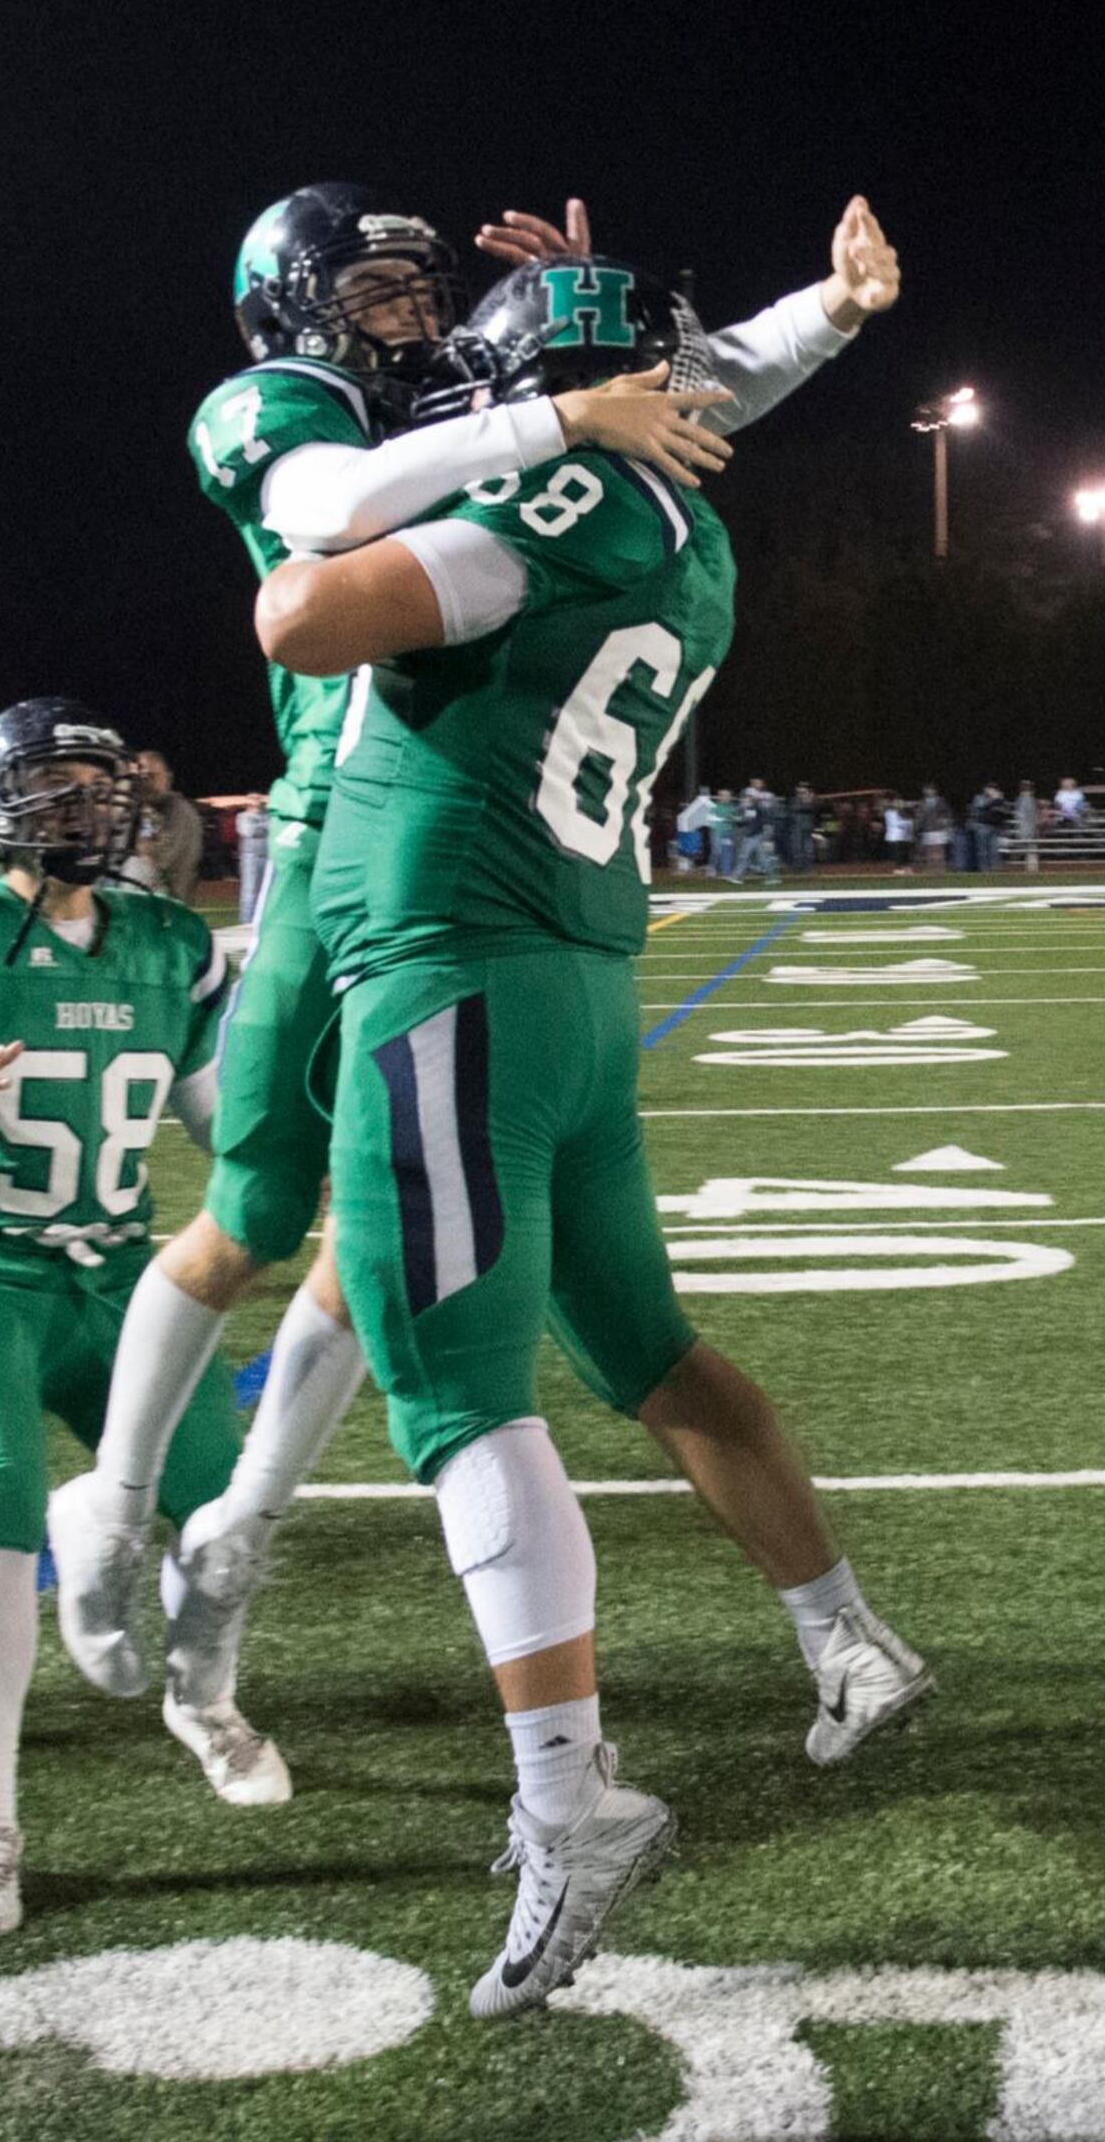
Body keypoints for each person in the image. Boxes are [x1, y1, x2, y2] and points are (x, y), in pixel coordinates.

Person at [62, 182, 893, 1714]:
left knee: (374, 1230)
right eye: (369, 283)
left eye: (415, 279)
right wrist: (562, 408)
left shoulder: (478, 403)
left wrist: (814, 316)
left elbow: (677, 403)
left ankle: (240, 1523)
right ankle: (114, 1501)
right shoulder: (278, 400)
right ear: (293, 302)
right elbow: (327, 512)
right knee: (254, 1201)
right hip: (330, 830)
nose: (405, 305)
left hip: (443, 830)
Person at [255, 251, 932, 2018]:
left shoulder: (555, 483)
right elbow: (677, 398)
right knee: (639, 1340)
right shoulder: (685, 527)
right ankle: (843, 1632)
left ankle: (573, 1802)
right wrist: (817, 320)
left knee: (459, 1390)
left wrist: (515, 418)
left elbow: (298, 619)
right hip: (571, 981)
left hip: (455, 968)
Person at [0, 701, 283, 1938]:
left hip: (120, 1278)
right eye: (55, 784)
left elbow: (216, 1117)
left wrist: (316, 1132)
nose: (87, 806)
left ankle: (205, 1699)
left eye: (101, 783)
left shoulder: (165, 938)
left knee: (222, 1505)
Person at [128, 748, 202, 901]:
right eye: (140, 778)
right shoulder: (147, 810)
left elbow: (161, 862)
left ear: (168, 778)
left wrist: (143, 849)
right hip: (152, 900)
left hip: (166, 904)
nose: (145, 783)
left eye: (151, 776)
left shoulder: (179, 812)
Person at [235, 797, 274, 922]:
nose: (256, 802)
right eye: (253, 799)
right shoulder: (242, 816)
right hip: (250, 857)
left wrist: (260, 827)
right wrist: (263, 828)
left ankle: (263, 920)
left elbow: (273, 829)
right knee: (249, 891)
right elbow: (248, 831)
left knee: (268, 890)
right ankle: (246, 920)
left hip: (268, 857)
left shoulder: (268, 815)